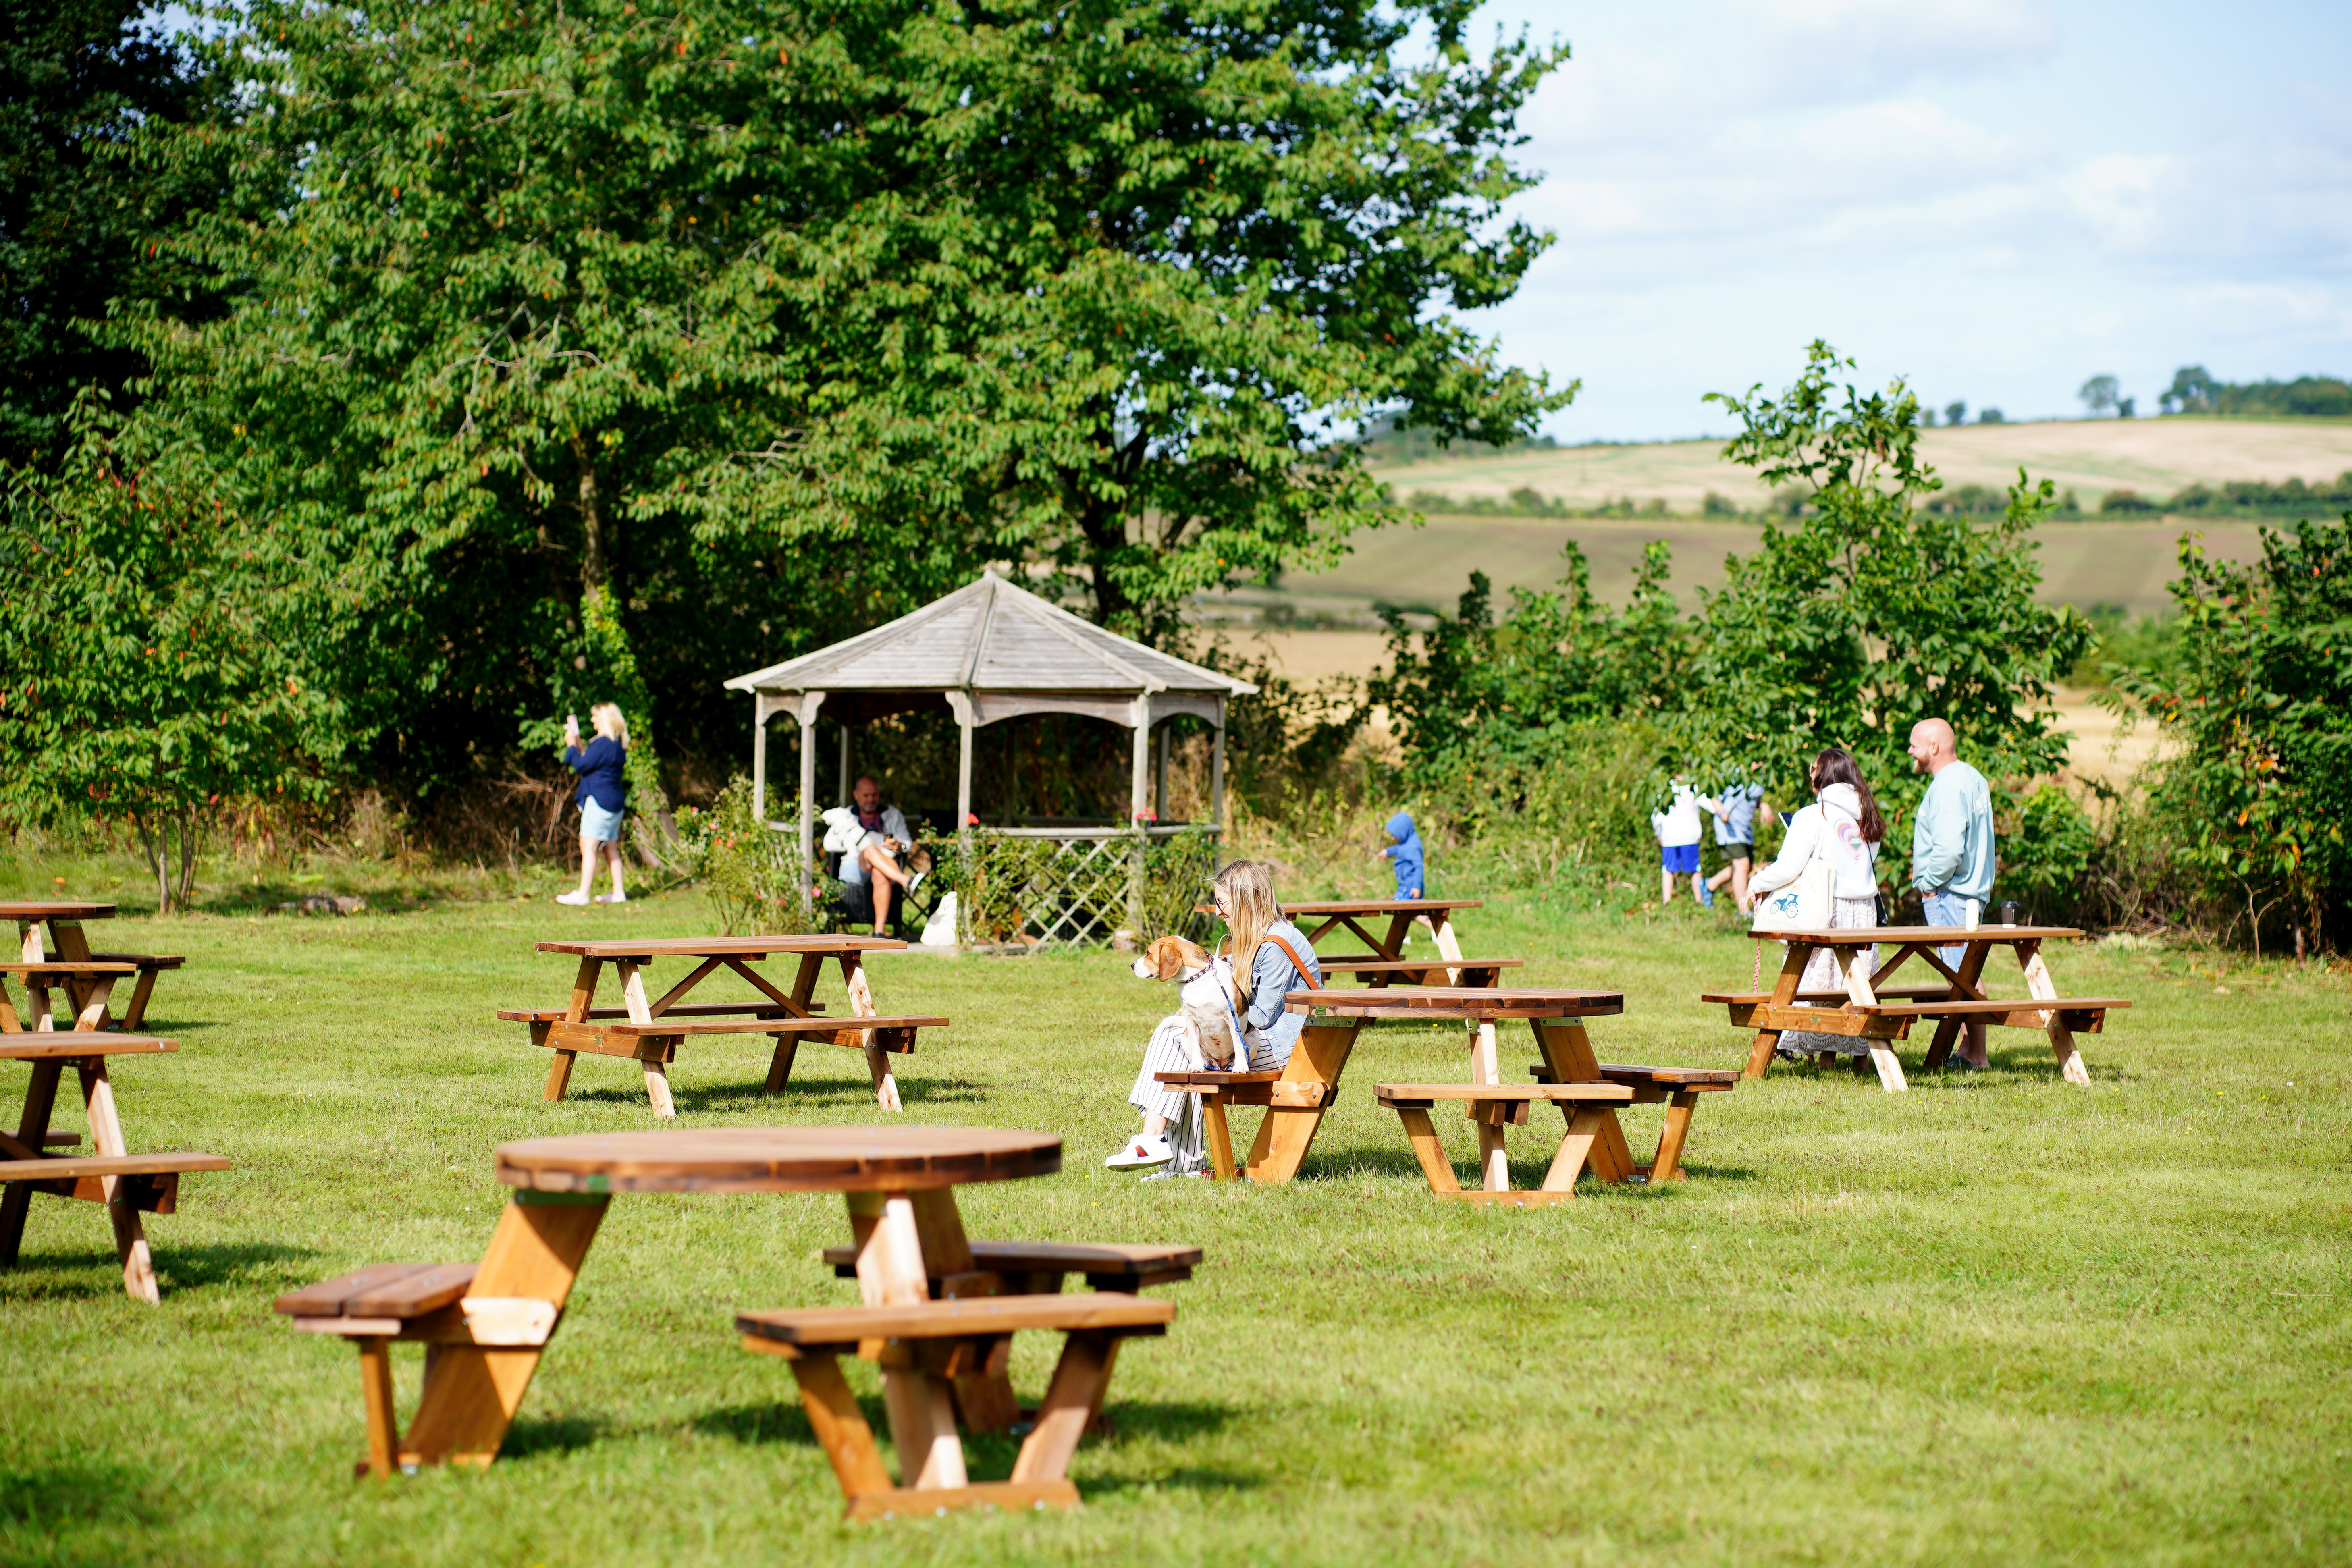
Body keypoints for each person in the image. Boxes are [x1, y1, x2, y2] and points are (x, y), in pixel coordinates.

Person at [1109, 859, 1322, 1174]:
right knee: (1188, 1041)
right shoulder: (1259, 938)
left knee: (1176, 1037)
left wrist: (1210, 1008)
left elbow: (1260, 1016)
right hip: (1267, 1041)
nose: (1219, 911)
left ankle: (1155, 1142)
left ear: (1245, 900)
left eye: (1222, 902)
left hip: (1287, 1051)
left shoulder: (1277, 944)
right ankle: (1179, 1163)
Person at [1743, 748, 1885, 1060]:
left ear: (1824, 774)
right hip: (1863, 911)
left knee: (1816, 981)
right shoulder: (1868, 814)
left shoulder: (1813, 814)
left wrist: (1757, 882)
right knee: (1854, 985)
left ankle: (1820, 1053)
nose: (1810, 773)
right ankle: (1858, 1057)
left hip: (1826, 909)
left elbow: (1788, 866)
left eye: (1813, 768)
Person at [1909, 717, 1996, 1070]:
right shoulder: (1972, 777)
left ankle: (1976, 1054)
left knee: (1963, 976)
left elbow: (1948, 850)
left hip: (1951, 893)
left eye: (1915, 744)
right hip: (1968, 893)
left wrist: (1929, 882)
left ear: (1934, 746)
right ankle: (1969, 1049)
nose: (1910, 751)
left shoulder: (1946, 785)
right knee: (1965, 973)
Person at [833, 775, 929, 937]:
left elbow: (907, 843)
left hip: (884, 867)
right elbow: (830, 843)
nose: (871, 799)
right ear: (856, 795)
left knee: (879, 872)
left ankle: (879, 932)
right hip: (854, 867)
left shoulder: (892, 815)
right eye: (866, 796)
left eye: (875, 795)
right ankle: (907, 881)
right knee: (870, 849)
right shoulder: (845, 816)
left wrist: (899, 845)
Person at [558, 704, 629, 906]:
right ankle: (618, 893)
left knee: (588, 845)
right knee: (610, 847)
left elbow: (581, 766)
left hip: (599, 801)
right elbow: (591, 763)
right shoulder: (617, 743)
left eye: (595, 716)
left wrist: (572, 745)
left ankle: (582, 895)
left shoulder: (602, 743)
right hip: (615, 801)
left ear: (605, 719)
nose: (592, 720)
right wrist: (580, 748)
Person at [1702, 768, 1767, 911]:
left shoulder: (1761, 775)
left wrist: (1763, 805)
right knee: (1743, 865)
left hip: (1745, 829)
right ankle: (1743, 910)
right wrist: (1722, 812)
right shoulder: (1734, 771)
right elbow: (1713, 793)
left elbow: (1752, 798)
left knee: (1745, 867)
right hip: (1729, 828)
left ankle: (1709, 885)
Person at [1651, 775, 1711, 907]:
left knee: (1668, 869)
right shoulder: (1693, 785)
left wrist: (1659, 834)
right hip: (1689, 835)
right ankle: (1699, 901)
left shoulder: (1665, 787)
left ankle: (1667, 902)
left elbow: (1657, 815)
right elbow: (1708, 803)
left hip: (1670, 836)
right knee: (1695, 869)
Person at [1369, 810, 1424, 899]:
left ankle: (1419, 915)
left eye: (1395, 835)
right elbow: (1399, 849)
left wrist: (1417, 887)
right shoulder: (1407, 843)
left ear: (1403, 832)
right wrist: (1388, 852)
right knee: (1401, 911)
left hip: (1411, 889)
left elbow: (1419, 867)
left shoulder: (1414, 848)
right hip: (1404, 885)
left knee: (1401, 908)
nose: (1393, 838)